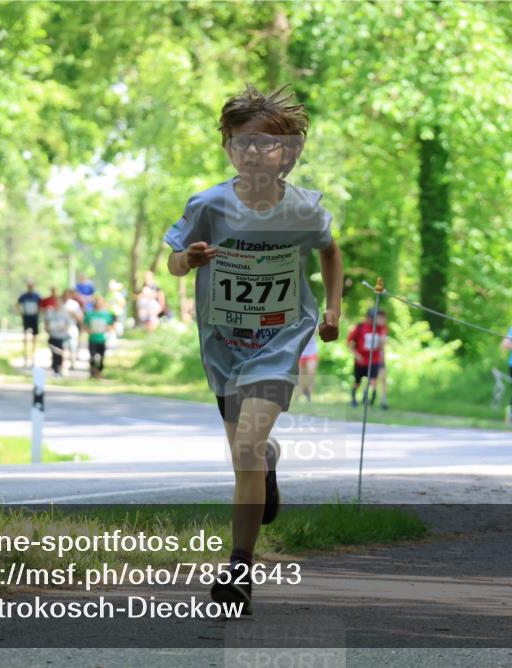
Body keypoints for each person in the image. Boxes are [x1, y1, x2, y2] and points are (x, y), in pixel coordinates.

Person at [164, 83, 342, 614]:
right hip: (223, 344)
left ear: (290, 153)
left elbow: (331, 254)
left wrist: (333, 310)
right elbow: (172, 260)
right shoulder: (209, 205)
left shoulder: (305, 210)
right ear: (228, 148)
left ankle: (238, 569)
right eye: (243, 143)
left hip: (280, 339)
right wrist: (188, 261)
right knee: (246, 454)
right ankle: (266, 463)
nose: (256, 153)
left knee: (243, 450)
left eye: (268, 144)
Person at [347, 308, 387, 408]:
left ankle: (369, 397)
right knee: (358, 382)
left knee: (373, 380)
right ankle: (353, 397)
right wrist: (357, 355)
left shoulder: (380, 329)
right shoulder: (360, 327)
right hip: (361, 360)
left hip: (374, 359)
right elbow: (350, 343)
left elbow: (382, 346)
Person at [86, 296, 116, 379]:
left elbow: (111, 325)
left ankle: (99, 372)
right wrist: (88, 330)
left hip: (102, 338)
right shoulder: (90, 314)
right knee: (92, 356)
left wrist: (108, 329)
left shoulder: (106, 314)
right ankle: (92, 372)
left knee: (101, 357)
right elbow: (85, 324)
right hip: (92, 338)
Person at [43, 299, 73, 377]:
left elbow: (69, 324)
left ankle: (59, 369)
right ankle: (55, 368)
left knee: (60, 354)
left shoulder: (65, 313)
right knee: (54, 354)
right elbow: (46, 323)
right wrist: (47, 329)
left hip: (62, 337)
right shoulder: (50, 313)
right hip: (53, 336)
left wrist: (63, 328)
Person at [16, 282, 41, 367]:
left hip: (34, 317)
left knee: (34, 337)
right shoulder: (23, 296)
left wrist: (37, 312)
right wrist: (21, 313)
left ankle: (33, 357)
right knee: (25, 337)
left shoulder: (37, 296)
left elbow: (40, 306)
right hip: (26, 317)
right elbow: (17, 305)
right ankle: (25, 357)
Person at [62, 288, 84, 369]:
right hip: (61, 329)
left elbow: (80, 318)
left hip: (72, 327)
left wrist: (73, 313)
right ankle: (63, 364)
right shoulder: (60, 304)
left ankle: (72, 363)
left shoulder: (75, 304)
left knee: (73, 346)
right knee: (63, 347)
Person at [297, 333, 319, 402]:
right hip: (299, 351)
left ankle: (309, 396)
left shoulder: (314, 321)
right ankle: (298, 395)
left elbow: (318, 331)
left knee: (311, 374)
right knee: (301, 377)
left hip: (311, 351)